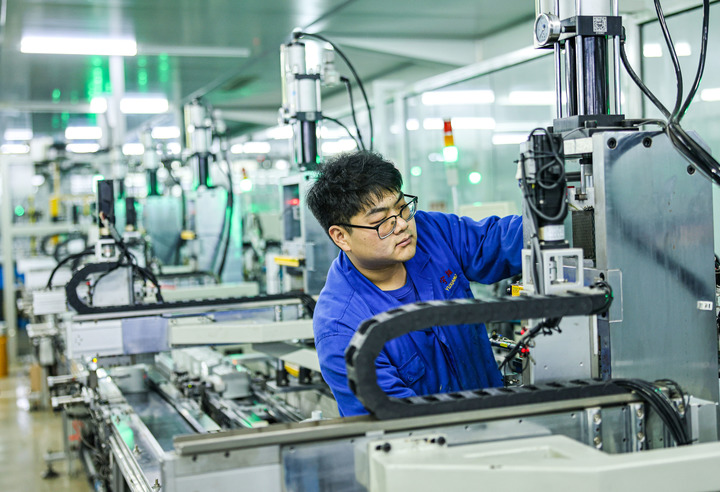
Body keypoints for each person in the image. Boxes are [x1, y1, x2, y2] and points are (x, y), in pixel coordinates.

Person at [306, 151, 523, 416]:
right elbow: (398, 421)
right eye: (381, 222)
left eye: (402, 207)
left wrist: (552, 217)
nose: (401, 225)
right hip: (436, 438)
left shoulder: (433, 233)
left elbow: (500, 241)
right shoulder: (341, 327)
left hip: (496, 417)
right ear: (341, 237)